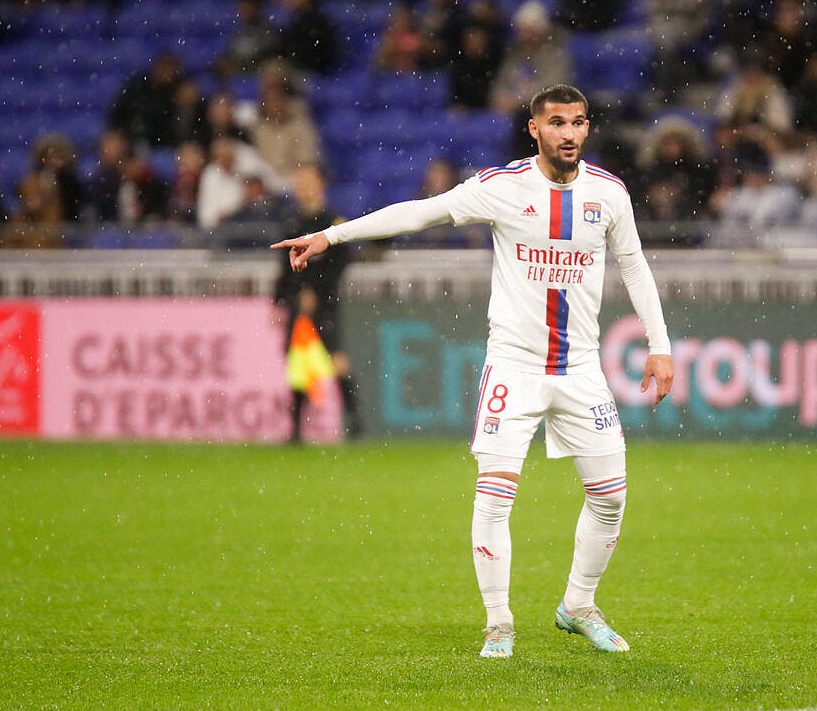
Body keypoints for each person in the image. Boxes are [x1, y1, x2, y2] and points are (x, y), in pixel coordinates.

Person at [272, 84, 674, 658]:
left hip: (581, 366)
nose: (570, 133)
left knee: (610, 495)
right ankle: (499, 621)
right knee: (495, 498)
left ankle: (578, 605)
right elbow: (419, 213)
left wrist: (659, 345)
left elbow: (634, 266)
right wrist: (332, 235)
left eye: (579, 123)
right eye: (557, 123)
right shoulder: (502, 188)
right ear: (534, 129)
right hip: (514, 365)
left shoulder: (609, 194)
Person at [272, 164, 362, 442]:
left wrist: (316, 290)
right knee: (299, 364)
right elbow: (284, 270)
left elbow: (340, 263)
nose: (304, 187)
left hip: (325, 305)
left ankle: (355, 423)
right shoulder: (293, 224)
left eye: (309, 181)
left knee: (335, 360)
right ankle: (297, 430)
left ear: (320, 184)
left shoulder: (332, 223)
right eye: (300, 182)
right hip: (297, 307)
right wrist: (282, 298)